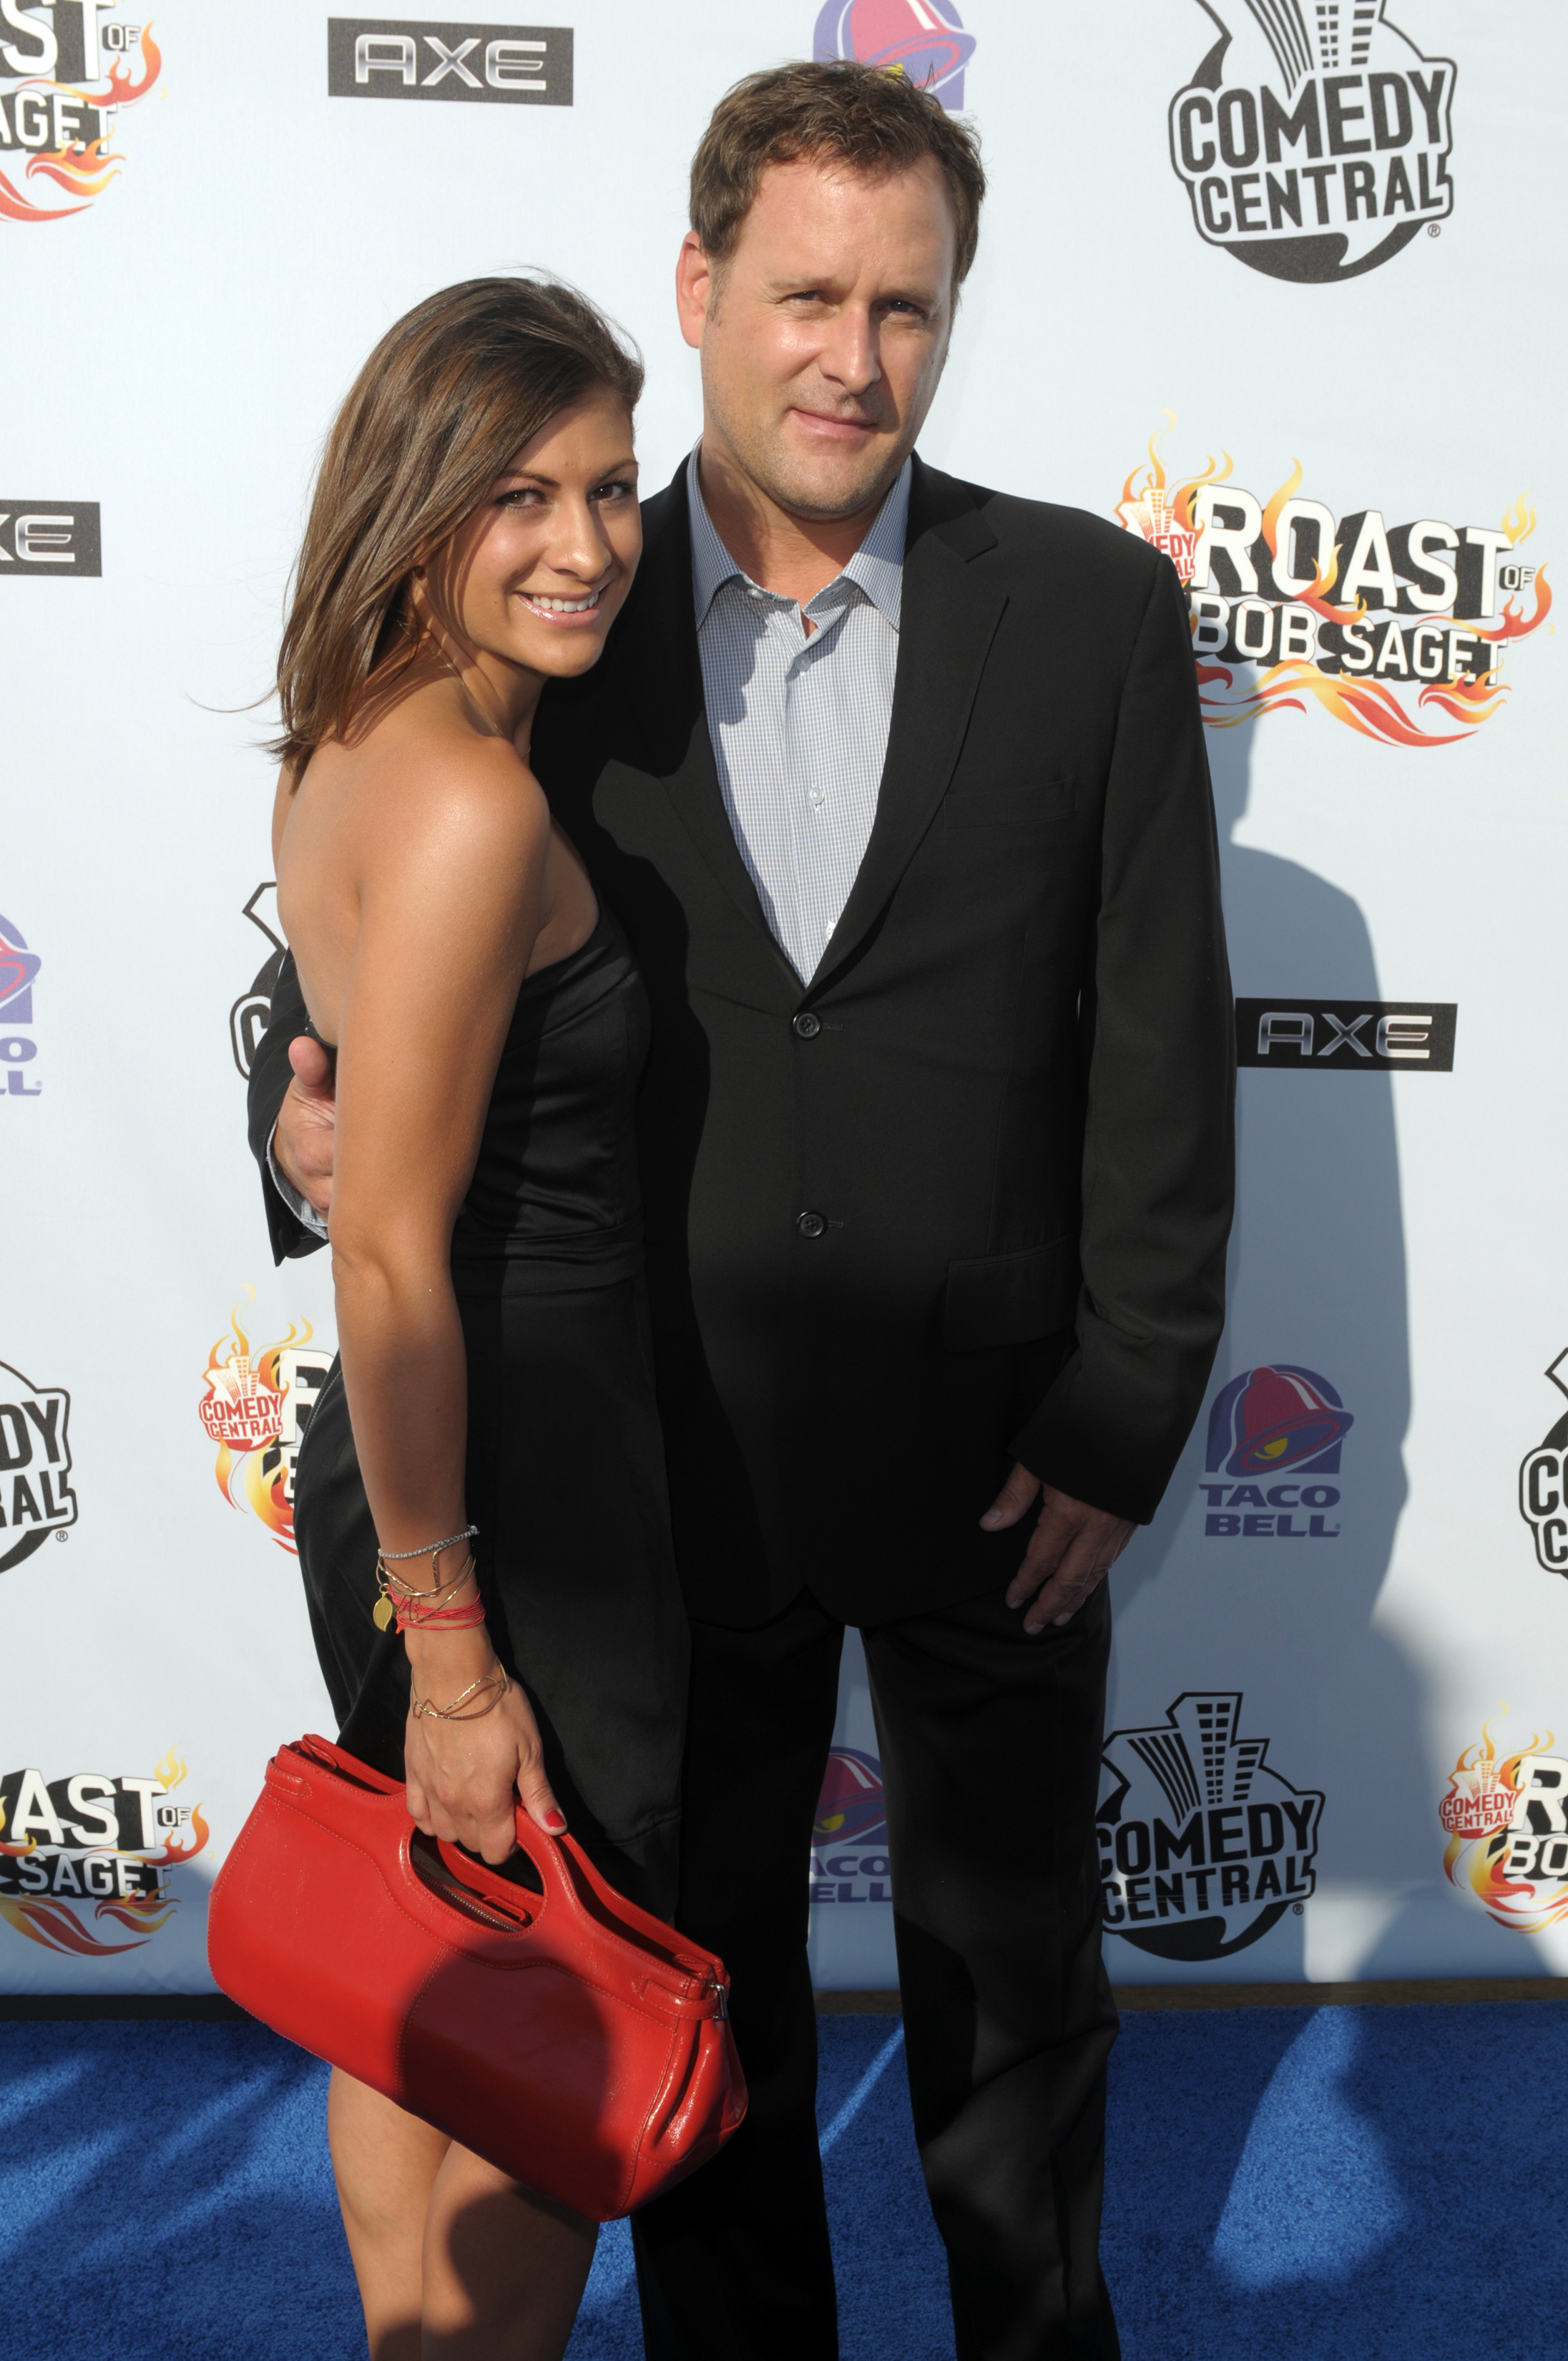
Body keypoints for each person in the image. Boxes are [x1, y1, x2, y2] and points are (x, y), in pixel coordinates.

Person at [253, 61, 1235, 2361]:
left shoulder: (1091, 613)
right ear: (700, 290)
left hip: (1006, 1460)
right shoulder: (545, 636)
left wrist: (1123, 1409)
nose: (852, 356)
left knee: (1014, 2006)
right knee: (703, 2017)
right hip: (659, 1470)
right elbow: (353, 982)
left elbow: (1165, 1044)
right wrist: (298, 1132)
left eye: (907, 306)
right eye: (805, 293)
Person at [262, 275, 688, 2361]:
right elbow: (397, 1254)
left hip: (427, 1463)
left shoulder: (360, 726)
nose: (586, 543)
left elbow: (356, 1097)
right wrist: (452, 1649)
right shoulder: (471, 799)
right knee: (551, 2021)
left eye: (614, 488)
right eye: (521, 492)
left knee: (420, 1958)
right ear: (419, 500)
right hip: (511, 1494)